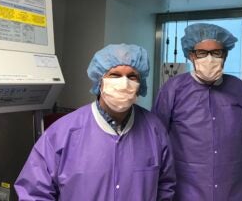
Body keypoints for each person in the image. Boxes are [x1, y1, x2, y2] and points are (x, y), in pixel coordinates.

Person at [15, 44, 176, 201]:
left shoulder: (155, 131)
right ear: (100, 80)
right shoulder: (62, 133)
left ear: (140, 84)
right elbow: (34, 193)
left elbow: (165, 187)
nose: (124, 82)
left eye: (132, 76)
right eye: (115, 75)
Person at [152, 23, 242, 201]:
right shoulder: (173, 89)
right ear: (191, 55)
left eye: (216, 53)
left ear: (225, 55)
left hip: (232, 190)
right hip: (185, 190)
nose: (209, 58)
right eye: (202, 53)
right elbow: (156, 139)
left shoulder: (237, 88)